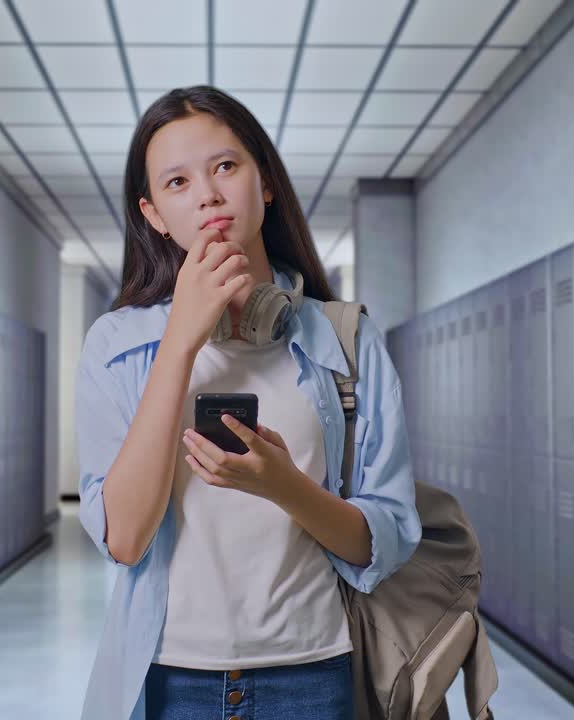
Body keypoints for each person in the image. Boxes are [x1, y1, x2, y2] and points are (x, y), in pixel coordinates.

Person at [75, 85, 421, 720]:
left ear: (264, 183)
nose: (207, 193)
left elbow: (385, 539)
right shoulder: (117, 345)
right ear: (155, 215)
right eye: (177, 182)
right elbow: (123, 538)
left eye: (225, 167)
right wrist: (178, 343)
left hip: (313, 674)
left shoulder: (348, 341)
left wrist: (285, 485)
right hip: (169, 679)